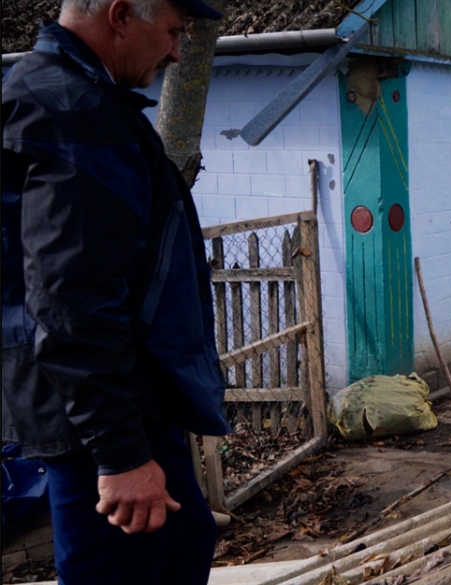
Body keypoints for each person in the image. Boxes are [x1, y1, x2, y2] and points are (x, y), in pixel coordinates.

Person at [2, 0, 231, 582]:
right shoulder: (71, 110)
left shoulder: (70, 97)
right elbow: (71, 296)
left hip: (116, 394)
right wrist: (121, 455)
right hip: (93, 412)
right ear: (121, 15)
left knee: (184, 539)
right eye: (174, 31)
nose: (178, 50)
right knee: (121, 570)